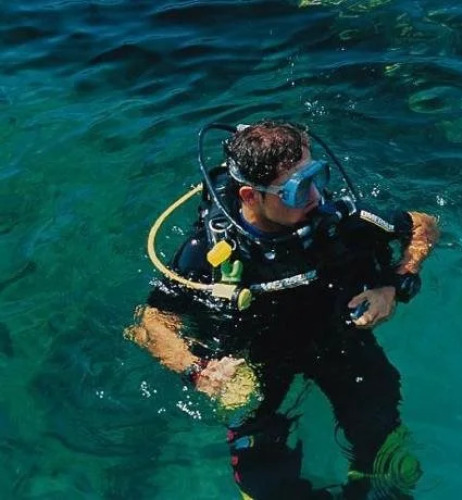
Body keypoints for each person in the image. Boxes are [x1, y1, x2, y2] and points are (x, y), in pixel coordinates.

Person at [125, 120, 439, 499]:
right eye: (297, 189)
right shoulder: (206, 253)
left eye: (316, 176)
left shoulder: (341, 220)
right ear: (250, 195)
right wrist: (197, 369)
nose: (315, 196)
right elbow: (150, 323)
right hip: (257, 359)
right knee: (264, 484)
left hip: (337, 337)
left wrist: (392, 286)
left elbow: (423, 225)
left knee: (388, 463)